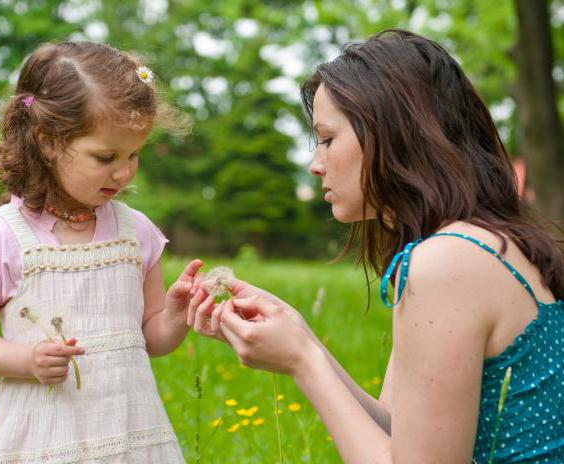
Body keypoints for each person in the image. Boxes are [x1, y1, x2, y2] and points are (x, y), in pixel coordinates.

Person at [188, 30, 564, 463]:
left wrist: (302, 361)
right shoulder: (479, 245)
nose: (315, 164)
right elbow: (402, 432)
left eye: (328, 139)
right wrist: (300, 336)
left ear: (396, 134)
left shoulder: (448, 262)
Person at [0, 41, 198, 463]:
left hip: (130, 434)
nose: (123, 172)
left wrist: (174, 316)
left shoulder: (136, 233)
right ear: (47, 142)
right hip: (44, 441)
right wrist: (26, 360)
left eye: (134, 154)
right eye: (105, 157)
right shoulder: (1, 238)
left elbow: (150, 338)